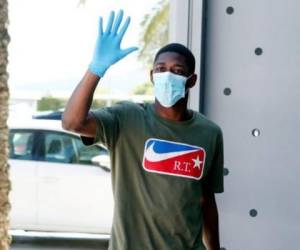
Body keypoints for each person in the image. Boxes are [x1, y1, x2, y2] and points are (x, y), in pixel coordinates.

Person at [62, 10, 224, 250]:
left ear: (191, 80)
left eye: (177, 71)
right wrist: (96, 69)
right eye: (160, 69)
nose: (167, 75)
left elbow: (206, 201)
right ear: (152, 76)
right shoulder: (126, 119)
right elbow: (72, 123)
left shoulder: (209, 133)